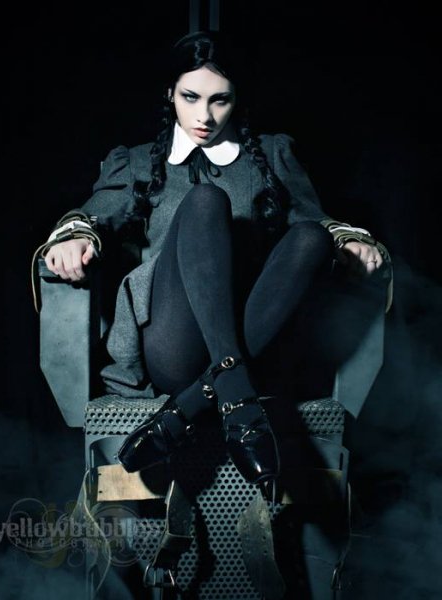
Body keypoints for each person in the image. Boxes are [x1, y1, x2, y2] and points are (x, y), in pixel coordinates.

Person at [40, 31, 389, 487]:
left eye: (220, 100)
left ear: (236, 100)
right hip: (175, 344)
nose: (204, 116)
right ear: (170, 93)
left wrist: (350, 242)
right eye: (191, 97)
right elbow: (93, 215)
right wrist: (73, 237)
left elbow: (316, 220)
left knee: (310, 238)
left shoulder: (271, 155)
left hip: (255, 333)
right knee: (206, 202)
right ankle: (229, 394)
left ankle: (196, 404)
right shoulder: (138, 163)